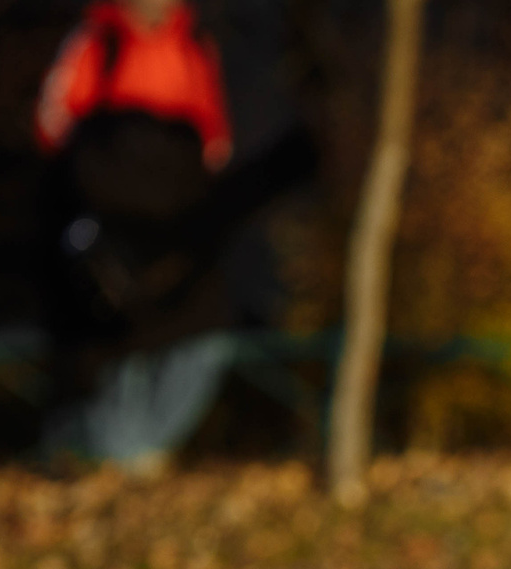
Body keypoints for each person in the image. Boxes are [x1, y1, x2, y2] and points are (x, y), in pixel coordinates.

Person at [34, 0, 312, 467]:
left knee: (200, 340)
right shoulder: (97, 42)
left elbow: (214, 142)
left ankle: (132, 460)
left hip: (177, 232)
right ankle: (104, 460)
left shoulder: (195, 45)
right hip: (108, 234)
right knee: (107, 358)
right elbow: (53, 129)